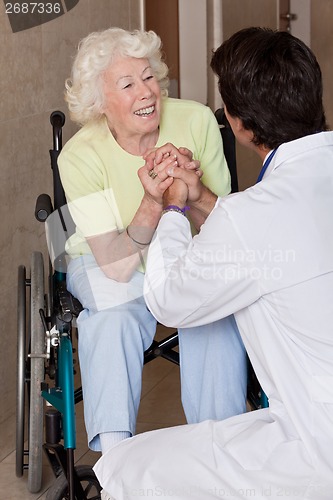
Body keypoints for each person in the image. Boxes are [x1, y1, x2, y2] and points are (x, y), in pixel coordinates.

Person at [93, 27, 333, 499]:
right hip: (311, 418)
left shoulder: (251, 214)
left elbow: (168, 300)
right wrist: (201, 197)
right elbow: (266, 238)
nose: (145, 92)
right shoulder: (274, 202)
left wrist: (175, 207)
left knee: (127, 470)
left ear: (238, 124)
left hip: (318, 443)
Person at [58, 27, 247, 457]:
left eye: (148, 77)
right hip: (108, 261)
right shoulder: (80, 155)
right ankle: (116, 461)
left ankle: (220, 455)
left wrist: (192, 190)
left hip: (190, 250)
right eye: (127, 84)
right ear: (100, 103)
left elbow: (227, 229)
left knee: (212, 316)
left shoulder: (196, 119)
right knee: (112, 318)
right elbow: (116, 266)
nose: (147, 92)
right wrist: (152, 201)